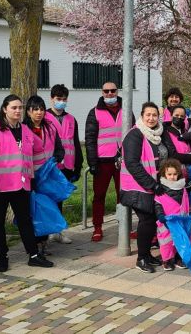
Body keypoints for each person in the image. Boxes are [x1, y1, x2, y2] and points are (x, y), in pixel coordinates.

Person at [0, 94, 53, 272]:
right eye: (14, 107)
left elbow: (36, 153)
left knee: (25, 220)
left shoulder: (25, 130)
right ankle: (2, 256)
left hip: (21, 185)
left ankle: (33, 255)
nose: (18, 111)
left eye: (20, 108)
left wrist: (36, 177)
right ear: (5, 109)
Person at [120, 102, 180, 273]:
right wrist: (151, 184)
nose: (152, 118)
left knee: (152, 220)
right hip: (137, 187)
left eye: (155, 115)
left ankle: (146, 255)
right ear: (142, 115)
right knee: (146, 220)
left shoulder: (160, 133)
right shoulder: (135, 135)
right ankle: (141, 258)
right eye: (148, 115)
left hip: (155, 186)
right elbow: (132, 164)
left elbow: (170, 155)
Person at [85, 82, 130, 242]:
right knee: (99, 196)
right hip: (102, 161)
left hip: (122, 160)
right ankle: (97, 227)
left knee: (124, 195)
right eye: (106, 91)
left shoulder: (126, 109)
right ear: (102, 92)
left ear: (117, 91)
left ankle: (125, 226)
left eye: (113, 90)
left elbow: (132, 134)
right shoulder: (94, 112)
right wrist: (92, 163)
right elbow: (90, 139)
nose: (110, 93)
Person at [24, 95, 65, 256]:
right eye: (35, 109)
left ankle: (43, 243)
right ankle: (34, 244)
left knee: (48, 209)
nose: (39, 113)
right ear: (28, 112)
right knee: (34, 210)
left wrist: (56, 160)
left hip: (48, 176)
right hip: (31, 176)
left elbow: (59, 148)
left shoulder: (50, 128)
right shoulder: (23, 130)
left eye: (41, 109)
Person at [45, 84, 83, 245]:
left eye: (64, 99)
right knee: (47, 200)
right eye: (58, 99)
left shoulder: (71, 119)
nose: (61, 102)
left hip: (67, 165)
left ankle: (57, 231)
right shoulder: (44, 117)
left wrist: (78, 165)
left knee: (59, 200)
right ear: (52, 99)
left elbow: (75, 142)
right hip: (49, 166)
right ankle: (46, 232)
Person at [154, 158, 191, 271]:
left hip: (181, 220)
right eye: (169, 174)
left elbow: (187, 202)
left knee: (182, 240)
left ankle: (180, 258)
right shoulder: (162, 189)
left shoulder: (182, 187)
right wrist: (160, 216)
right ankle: (167, 260)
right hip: (166, 221)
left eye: (175, 174)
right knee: (167, 241)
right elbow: (158, 204)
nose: (172, 177)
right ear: (164, 174)